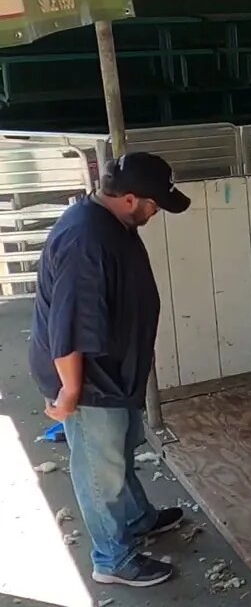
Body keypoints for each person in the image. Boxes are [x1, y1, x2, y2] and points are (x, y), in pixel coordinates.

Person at [30, 152, 193, 588]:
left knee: (119, 453)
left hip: (113, 372)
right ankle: (112, 558)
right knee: (101, 472)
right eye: (154, 203)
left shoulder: (111, 223)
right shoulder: (87, 241)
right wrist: (69, 392)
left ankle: (139, 519)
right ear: (128, 198)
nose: (157, 210)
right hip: (90, 383)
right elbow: (66, 327)